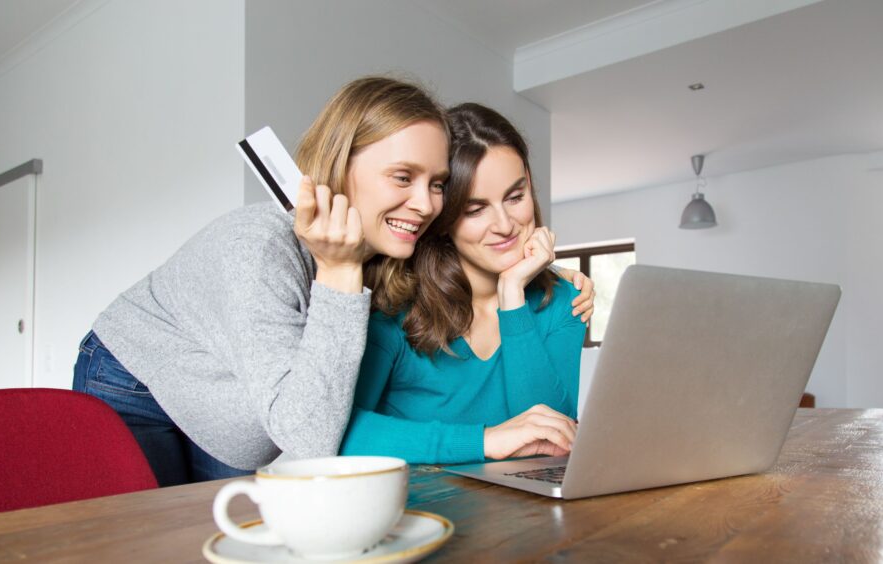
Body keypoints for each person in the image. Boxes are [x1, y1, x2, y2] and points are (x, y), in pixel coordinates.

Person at [74, 77, 593, 486]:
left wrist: (527, 286)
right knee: (144, 538)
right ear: (342, 167)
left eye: (437, 185)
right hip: (137, 379)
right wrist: (341, 272)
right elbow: (313, 437)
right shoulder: (258, 247)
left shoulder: (389, 262)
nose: (425, 204)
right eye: (402, 177)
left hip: (251, 412)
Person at [340, 103, 586, 464]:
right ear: (443, 216)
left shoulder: (565, 300)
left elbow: (550, 442)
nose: (505, 225)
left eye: (515, 197)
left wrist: (512, 297)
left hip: (525, 515)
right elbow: (341, 434)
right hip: (418, 512)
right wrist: (483, 442)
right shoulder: (393, 303)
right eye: (475, 209)